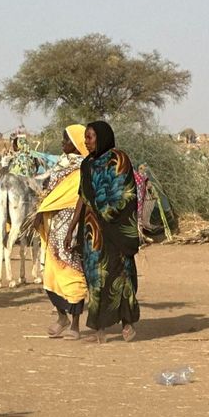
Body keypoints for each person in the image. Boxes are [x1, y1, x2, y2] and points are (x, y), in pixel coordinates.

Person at [74, 120, 140, 342]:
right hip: (92, 231)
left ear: (101, 137)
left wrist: (106, 211)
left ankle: (127, 324)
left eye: (90, 137)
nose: (86, 142)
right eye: (85, 138)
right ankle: (99, 329)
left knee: (121, 275)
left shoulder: (118, 159)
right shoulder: (86, 164)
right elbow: (82, 197)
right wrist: (73, 228)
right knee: (95, 276)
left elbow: (126, 194)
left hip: (116, 229)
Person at [37, 124, 89, 339]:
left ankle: (75, 324)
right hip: (52, 223)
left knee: (71, 271)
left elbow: (78, 198)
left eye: (67, 139)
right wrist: (41, 212)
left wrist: (71, 229)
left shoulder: (83, 169)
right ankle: (61, 317)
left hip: (71, 224)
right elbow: (51, 194)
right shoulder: (61, 164)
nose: (63, 143)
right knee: (50, 273)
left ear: (77, 145)